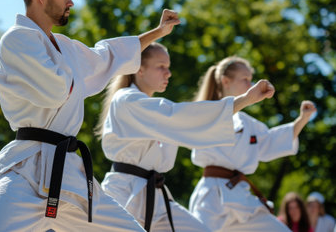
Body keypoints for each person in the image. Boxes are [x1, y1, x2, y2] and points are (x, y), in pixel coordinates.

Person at [0, 0, 181, 232]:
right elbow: (56, 90)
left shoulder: (65, 48)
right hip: (27, 172)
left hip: (71, 175)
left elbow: (107, 57)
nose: (70, 2)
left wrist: (157, 33)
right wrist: (79, 70)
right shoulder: (17, 39)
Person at [98, 43, 279, 232]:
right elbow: (177, 117)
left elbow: (184, 124)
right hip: (125, 195)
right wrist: (244, 100)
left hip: (156, 197)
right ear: (139, 69)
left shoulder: (151, 107)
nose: (168, 73)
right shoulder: (126, 100)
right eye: (161, 67)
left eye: (168, 67)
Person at [188, 56, 316, 232]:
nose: (250, 85)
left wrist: (302, 119)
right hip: (211, 198)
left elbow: (272, 142)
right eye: (245, 79)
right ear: (226, 81)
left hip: (241, 199)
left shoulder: (249, 124)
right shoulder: (205, 113)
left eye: (251, 79)